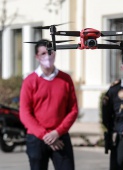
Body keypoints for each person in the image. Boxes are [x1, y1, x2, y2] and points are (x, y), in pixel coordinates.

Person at [19, 39, 78, 170]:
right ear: (37, 56)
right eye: (43, 53)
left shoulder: (65, 79)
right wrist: (45, 135)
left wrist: (56, 133)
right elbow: (24, 113)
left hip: (60, 137)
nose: (48, 56)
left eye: (50, 52)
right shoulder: (30, 81)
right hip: (36, 138)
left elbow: (73, 110)